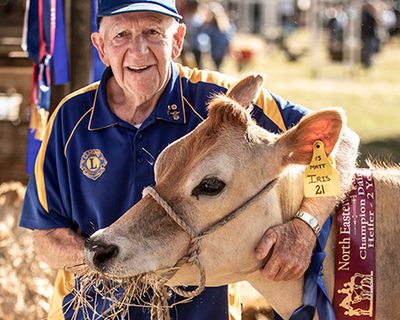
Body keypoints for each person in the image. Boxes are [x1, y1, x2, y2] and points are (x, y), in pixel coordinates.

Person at [19, 0, 358, 319]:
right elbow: (47, 238)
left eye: (153, 32)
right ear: (101, 47)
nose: (138, 50)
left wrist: (305, 226)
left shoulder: (221, 105)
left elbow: (336, 141)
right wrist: (120, 259)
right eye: (121, 35)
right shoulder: (71, 118)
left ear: (178, 39)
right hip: (87, 312)